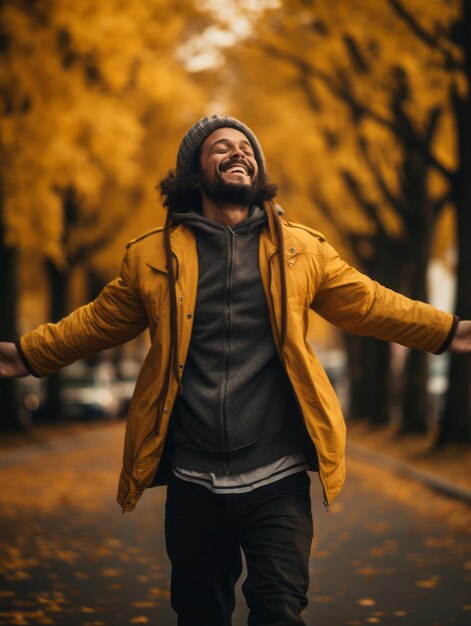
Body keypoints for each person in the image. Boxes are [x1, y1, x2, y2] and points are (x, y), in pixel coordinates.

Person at [0, 115, 470, 626]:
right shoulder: (151, 257)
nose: (238, 153)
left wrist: (447, 331)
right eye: (221, 147)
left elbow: (372, 303)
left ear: (257, 170)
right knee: (200, 614)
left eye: (246, 148)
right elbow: (96, 322)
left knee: (279, 610)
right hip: (193, 479)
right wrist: (26, 355)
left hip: (278, 474)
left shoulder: (302, 249)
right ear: (194, 171)